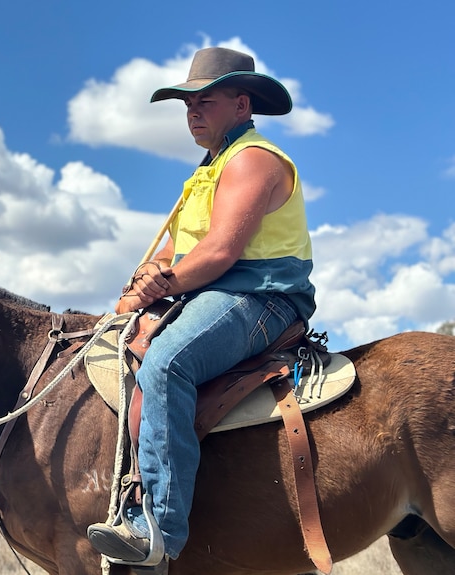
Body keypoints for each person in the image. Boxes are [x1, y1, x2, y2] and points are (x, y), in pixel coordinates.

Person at [86, 46, 316, 567]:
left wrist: (160, 285)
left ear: (241, 105)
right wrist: (144, 281)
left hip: (260, 298)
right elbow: (176, 250)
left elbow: (219, 252)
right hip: (210, 292)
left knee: (168, 363)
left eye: (204, 101)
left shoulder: (253, 159)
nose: (192, 111)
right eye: (186, 102)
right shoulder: (207, 170)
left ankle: (157, 529)